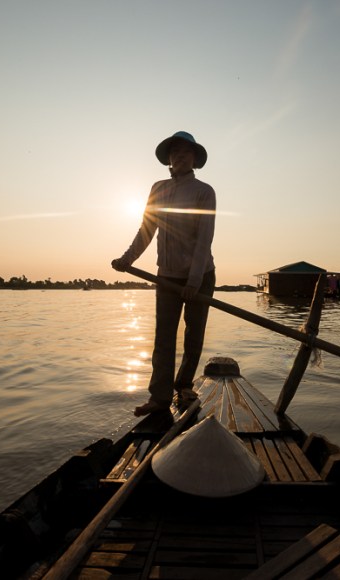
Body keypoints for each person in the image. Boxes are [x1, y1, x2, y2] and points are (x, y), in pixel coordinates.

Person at [112, 131, 216, 416]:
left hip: (200, 275)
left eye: (185, 152)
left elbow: (204, 238)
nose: (179, 156)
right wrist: (126, 259)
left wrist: (194, 282)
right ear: (169, 158)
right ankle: (159, 398)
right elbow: (147, 229)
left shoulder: (204, 191)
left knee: (193, 334)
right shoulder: (157, 188)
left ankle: (183, 386)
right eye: (175, 152)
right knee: (163, 336)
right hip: (167, 276)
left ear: (194, 158)